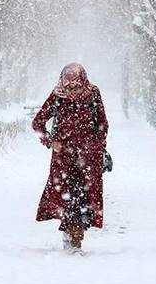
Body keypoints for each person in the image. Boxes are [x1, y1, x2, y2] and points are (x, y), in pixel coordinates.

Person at [32, 63, 108, 252]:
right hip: (63, 160)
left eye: (76, 84)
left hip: (88, 159)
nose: (72, 88)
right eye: (69, 84)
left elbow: (102, 123)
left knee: (84, 199)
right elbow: (38, 123)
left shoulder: (93, 93)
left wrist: (98, 146)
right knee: (68, 198)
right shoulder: (58, 95)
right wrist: (51, 142)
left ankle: (75, 237)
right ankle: (72, 239)